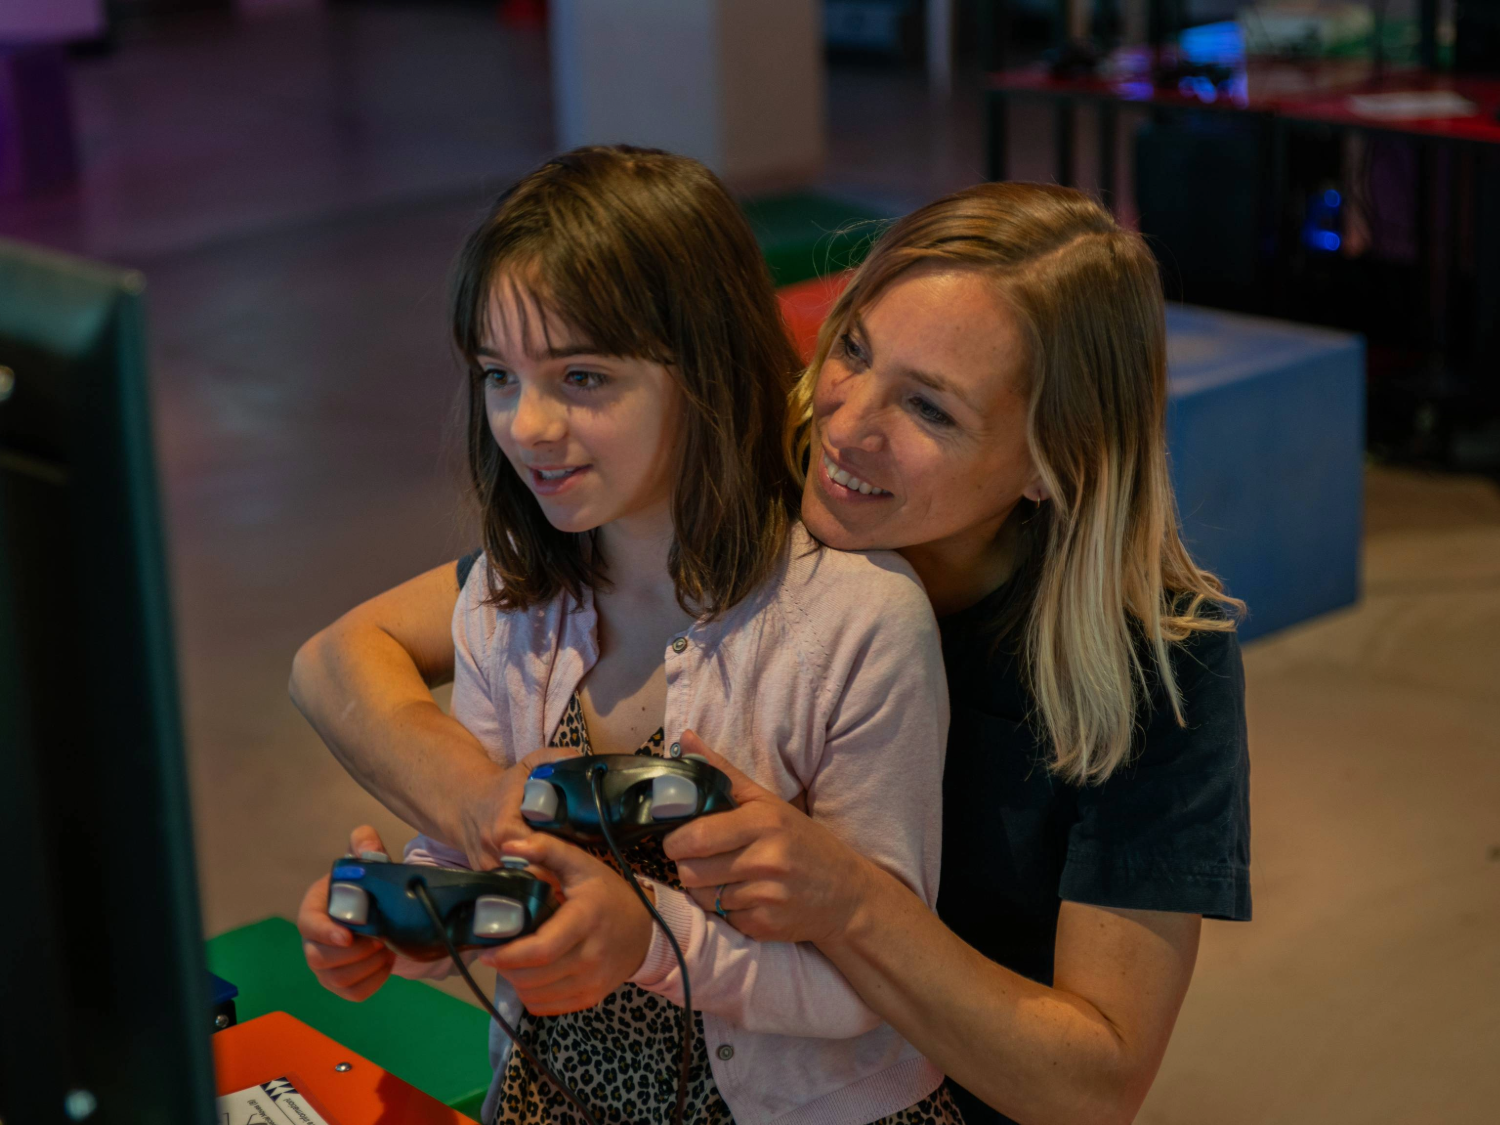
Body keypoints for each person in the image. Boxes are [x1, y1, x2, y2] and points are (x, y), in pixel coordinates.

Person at [293, 180, 1252, 1125]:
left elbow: (1091, 1085)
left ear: (1056, 460)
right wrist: (466, 832)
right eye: (853, 349)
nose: (841, 423)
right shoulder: (739, 476)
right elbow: (344, 658)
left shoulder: (1148, 660)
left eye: (931, 410)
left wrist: (843, 900)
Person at [292, 146, 961, 1125]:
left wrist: (648, 943)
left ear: (707, 368)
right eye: (497, 377)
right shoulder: (508, 605)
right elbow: (486, 877)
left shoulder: (857, 624)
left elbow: (873, 983)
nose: (527, 424)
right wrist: (415, 921)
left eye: (583, 377)